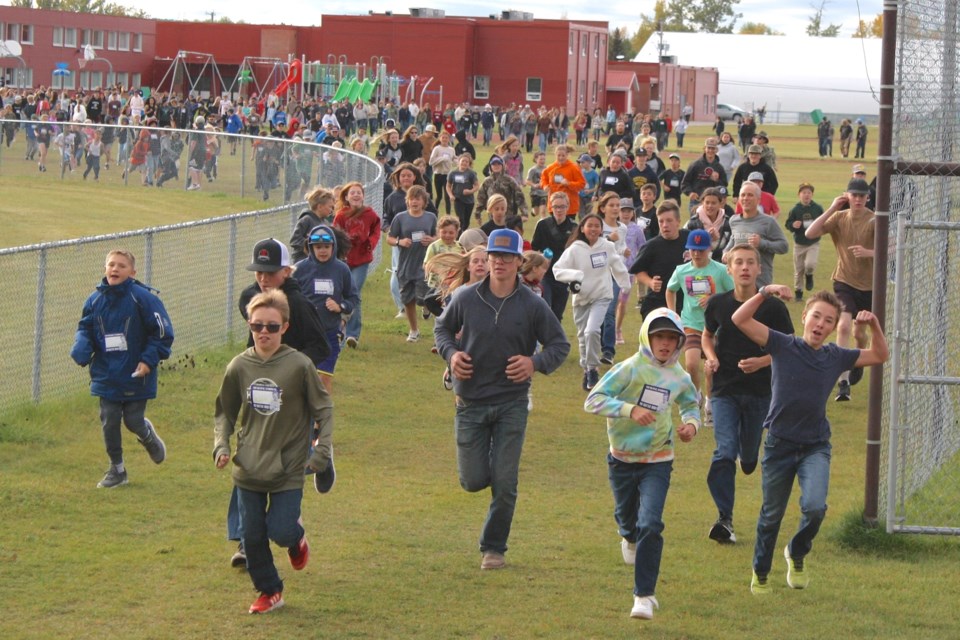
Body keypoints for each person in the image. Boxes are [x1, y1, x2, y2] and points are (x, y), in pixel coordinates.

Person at [733, 287, 887, 595]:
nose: (820, 324)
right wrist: (764, 292)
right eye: (816, 316)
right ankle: (761, 571)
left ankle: (797, 551)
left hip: (815, 446)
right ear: (804, 317)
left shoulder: (836, 356)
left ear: (833, 328)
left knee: (815, 507)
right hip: (779, 445)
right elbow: (740, 318)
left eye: (828, 320)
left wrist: (873, 327)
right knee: (771, 514)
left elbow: (880, 355)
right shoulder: (782, 344)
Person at [434, 229, 570, 570]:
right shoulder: (465, 298)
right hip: (471, 402)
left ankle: (493, 549)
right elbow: (442, 330)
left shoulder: (533, 305)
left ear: (518, 262)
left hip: (511, 402)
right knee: (473, 480)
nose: (499, 262)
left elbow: (559, 345)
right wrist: (451, 356)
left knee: (506, 481)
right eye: (495, 256)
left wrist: (534, 362)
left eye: (507, 257)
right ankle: (494, 470)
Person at [214, 290, 335, 614]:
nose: (263, 333)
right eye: (257, 326)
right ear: (250, 326)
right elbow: (225, 411)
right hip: (249, 467)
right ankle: (270, 591)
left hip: (289, 466)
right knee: (251, 537)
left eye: (271, 326)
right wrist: (221, 445)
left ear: (285, 327)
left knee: (280, 530)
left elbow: (323, 409)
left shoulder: (299, 365)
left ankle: (295, 539)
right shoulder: (239, 365)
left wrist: (321, 450)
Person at [583, 308, 699, 620]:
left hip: (659, 459)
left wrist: (691, 424)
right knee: (628, 519)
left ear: (678, 342)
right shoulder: (629, 369)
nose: (664, 343)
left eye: (671, 338)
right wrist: (628, 410)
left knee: (650, 523)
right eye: (659, 336)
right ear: (647, 337)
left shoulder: (679, 376)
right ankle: (627, 534)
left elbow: (691, 402)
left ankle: (644, 596)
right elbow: (592, 400)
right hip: (621, 457)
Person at [230, 238, 333, 566]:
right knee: (248, 460)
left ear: (287, 271)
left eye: (271, 271)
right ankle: (246, 541)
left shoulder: (298, 305)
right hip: (259, 392)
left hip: (292, 397)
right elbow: (252, 342)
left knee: (285, 458)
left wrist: (289, 369)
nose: (263, 277)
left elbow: (321, 346)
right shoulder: (250, 298)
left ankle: (318, 454)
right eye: (259, 271)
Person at [71, 249, 174, 488]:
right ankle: (116, 470)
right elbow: (85, 328)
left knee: (133, 420)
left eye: (121, 266)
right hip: (106, 373)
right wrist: (82, 348)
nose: (115, 269)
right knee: (109, 419)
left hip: (136, 373)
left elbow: (161, 333)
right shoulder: (94, 300)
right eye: (111, 265)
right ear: (105, 269)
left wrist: (148, 361)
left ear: (132, 272)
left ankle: (147, 436)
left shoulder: (144, 298)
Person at [803, 178, 875, 401]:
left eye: (862, 196)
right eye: (854, 195)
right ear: (847, 196)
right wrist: (833, 207)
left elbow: (893, 247)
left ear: (868, 198)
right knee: (843, 325)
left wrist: (870, 253)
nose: (858, 200)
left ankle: (858, 355)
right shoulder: (839, 217)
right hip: (844, 282)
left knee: (858, 332)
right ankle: (843, 382)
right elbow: (810, 233)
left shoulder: (874, 220)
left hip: (870, 286)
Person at [552, 214, 631, 390]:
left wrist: (625, 285)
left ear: (601, 229)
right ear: (582, 228)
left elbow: (617, 266)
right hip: (581, 299)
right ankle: (587, 369)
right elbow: (557, 270)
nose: (594, 229)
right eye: (590, 226)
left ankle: (594, 368)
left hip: (602, 296)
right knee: (582, 337)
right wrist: (575, 276)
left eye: (597, 226)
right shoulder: (575, 249)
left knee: (592, 331)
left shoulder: (607, 246)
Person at [665, 228, 734, 419]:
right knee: (692, 364)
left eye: (701, 250)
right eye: (693, 249)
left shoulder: (720, 271)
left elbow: (734, 294)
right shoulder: (682, 270)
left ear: (709, 249)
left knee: (711, 368)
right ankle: (696, 396)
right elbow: (670, 290)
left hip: (715, 327)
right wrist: (673, 315)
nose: (696, 253)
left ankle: (711, 405)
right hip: (691, 324)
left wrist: (715, 297)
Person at [293, 225, 359, 393]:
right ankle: (304, 417)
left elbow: (353, 298)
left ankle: (321, 419)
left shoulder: (341, 269)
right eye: (318, 247)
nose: (322, 251)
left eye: (326, 247)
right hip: (304, 334)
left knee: (323, 379)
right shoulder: (299, 269)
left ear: (333, 247)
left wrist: (340, 307)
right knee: (302, 379)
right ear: (310, 248)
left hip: (329, 333)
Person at [332, 182, 381, 348]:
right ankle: (340, 328)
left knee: (354, 292)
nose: (355, 195)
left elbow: (376, 229)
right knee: (343, 294)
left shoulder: (369, 214)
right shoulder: (341, 215)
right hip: (344, 260)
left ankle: (352, 334)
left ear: (363, 196)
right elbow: (335, 235)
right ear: (346, 197)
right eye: (352, 193)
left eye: (358, 193)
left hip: (362, 259)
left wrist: (371, 242)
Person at [388, 185, 438, 342]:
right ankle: (414, 330)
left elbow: (439, 236)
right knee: (408, 299)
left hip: (425, 265)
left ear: (424, 202)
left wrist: (433, 240)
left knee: (427, 297)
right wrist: (400, 241)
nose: (414, 202)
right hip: (406, 264)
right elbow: (389, 238)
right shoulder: (400, 218)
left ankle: (428, 311)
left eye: (418, 199)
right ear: (407, 201)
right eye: (411, 199)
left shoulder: (430, 217)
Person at [629, 201, 691, 318]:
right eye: (661, 221)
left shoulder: (689, 238)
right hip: (657, 303)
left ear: (678, 221)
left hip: (685, 303)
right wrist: (650, 282)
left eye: (669, 220)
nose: (665, 225)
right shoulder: (651, 246)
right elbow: (638, 270)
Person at [722, 182, 789, 287]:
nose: (746, 198)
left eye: (750, 195)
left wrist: (762, 243)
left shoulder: (769, 221)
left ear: (758, 200)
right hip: (738, 281)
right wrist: (726, 252)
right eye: (743, 195)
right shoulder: (734, 220)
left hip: (760, 282)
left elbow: (784, 246)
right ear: (739, 199)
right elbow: (734, 240)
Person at [531, 191, 578, 320]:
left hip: (564, 276)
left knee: (557, 314)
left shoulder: (574, 228)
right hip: (545, 274)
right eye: (556, 206)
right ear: (550, 207)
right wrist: (541, 258)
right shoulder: (543, 225)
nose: (559, 210)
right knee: (545, 308)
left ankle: (554, 339)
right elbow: (534, 249)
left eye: (562, 206)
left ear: (568, 207)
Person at [784, 182, 824, 302]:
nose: (806, 195)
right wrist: (793, 225)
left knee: (810, 264)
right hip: (799, 243)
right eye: (804, 193)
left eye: (809, 193)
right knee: (799, 269)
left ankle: (809, 275)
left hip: (813, 242)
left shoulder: (817, 208)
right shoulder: (795, 209)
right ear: (799, 195)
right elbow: (788, 224)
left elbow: (824, 220)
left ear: (812, 195)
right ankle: (799, 292)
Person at [681, 137, 728, 217]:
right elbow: (685, 183)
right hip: (696, 201)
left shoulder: (719, 167)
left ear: (716, 150)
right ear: (704, 149)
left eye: (713, 148)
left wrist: (717, 180)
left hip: (712, 203)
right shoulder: (695, 165)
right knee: (696, 225)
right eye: (709, 148)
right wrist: (690, 192)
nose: (711, 151)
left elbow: (724, 185)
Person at [541, 144, 587, 219]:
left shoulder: (574, 168)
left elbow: (582, 184)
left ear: (567, 155)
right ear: (555, 155)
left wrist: (569, 184)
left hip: (569, 207)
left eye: (563, 155)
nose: (561, 158)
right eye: (559, 155)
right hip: (554, 205)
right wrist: (545, 185)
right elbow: (543, 178)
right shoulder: (550, 168)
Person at [290, 187, 336, 263]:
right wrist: (312, 246)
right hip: (302, 261)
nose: (331, 210)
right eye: (330, 207)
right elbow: (294, 240)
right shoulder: (307, 219)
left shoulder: (325, 223)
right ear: (320, 207)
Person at [686, 186, 732, 262]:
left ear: (720, 204)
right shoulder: (692, 222)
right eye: (707, 202)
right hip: (698, 264)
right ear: (702, 203)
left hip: (721, 265)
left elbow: (731, 246)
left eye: (713, 203)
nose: (710, 206)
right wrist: (707, 238)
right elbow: (686, 245)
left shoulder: (728, 223)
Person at [446, 153, 480, 233]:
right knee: (460, 219)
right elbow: (448, 186)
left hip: (469, 201)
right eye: (463, 161)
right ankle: (459, 235)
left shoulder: (471, 173)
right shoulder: (453, 173)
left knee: (466, 220)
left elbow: (477, 185)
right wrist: (451, 195)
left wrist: (470, 191)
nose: (464, 163)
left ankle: (464, 232)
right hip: (458, 199)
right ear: (458, 161)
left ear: (469, 164)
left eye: (467, 162)